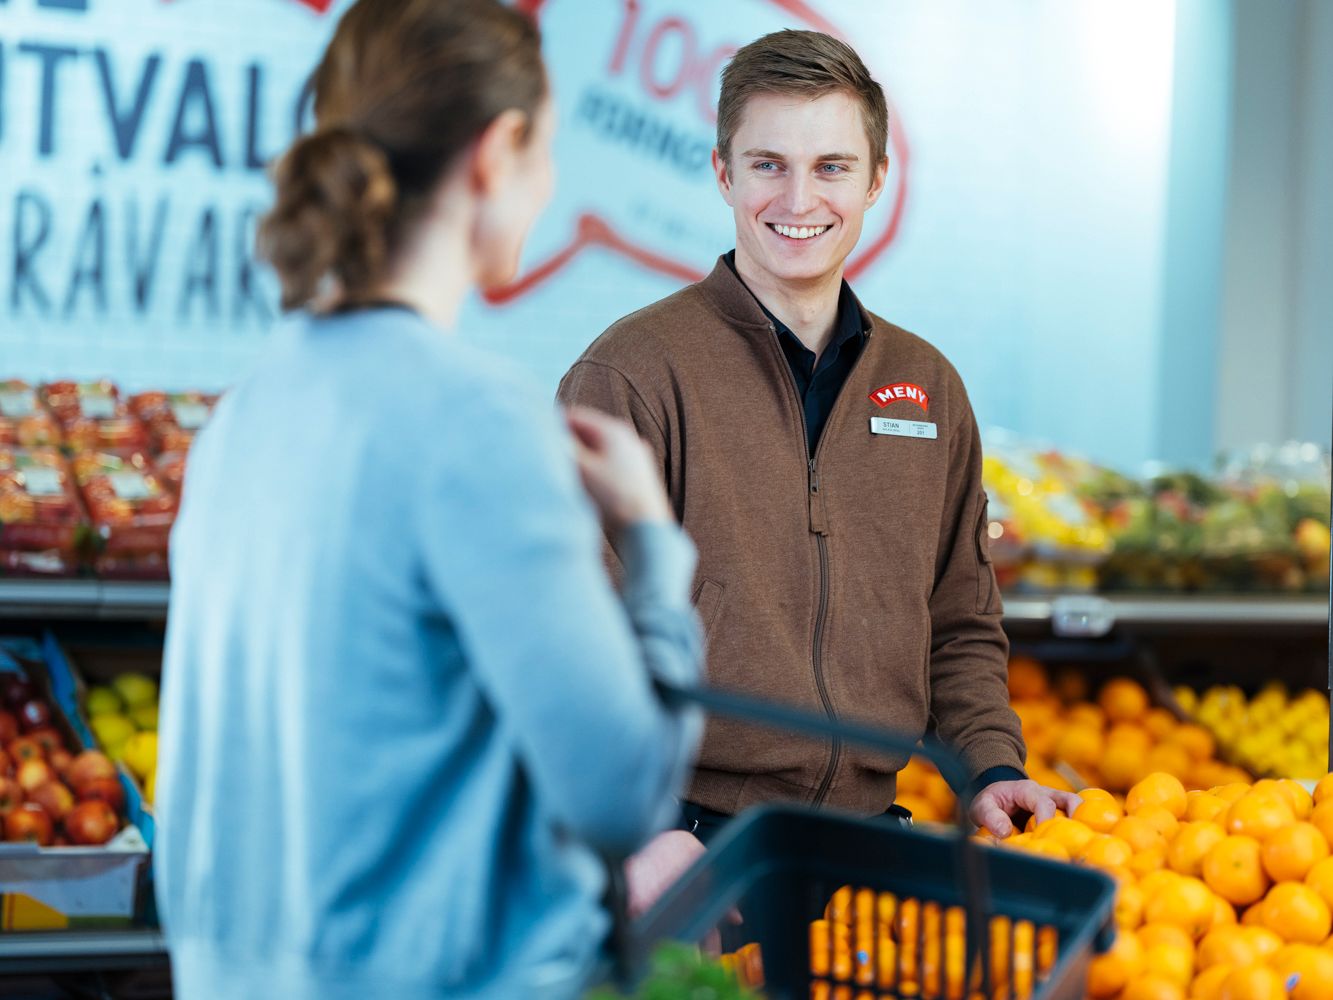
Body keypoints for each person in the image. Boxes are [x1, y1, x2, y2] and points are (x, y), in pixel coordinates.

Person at [154, 2, 701, 997]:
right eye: (546, 152)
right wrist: (653, 547)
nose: (549, 185)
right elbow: (621, 791)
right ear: (496, 153)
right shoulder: (479, 422)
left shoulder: (245, 414)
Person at [559, 29, 1079, 889]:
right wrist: (637, 831)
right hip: (681, 853)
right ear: (722, 173)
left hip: (872, 848)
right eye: (767, 164)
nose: (798, 199)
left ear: (875, 180)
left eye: (831, 167)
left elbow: (957, 618)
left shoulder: (926, 386)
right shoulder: (633, 372)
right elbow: (571, 632)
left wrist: (990, 765)